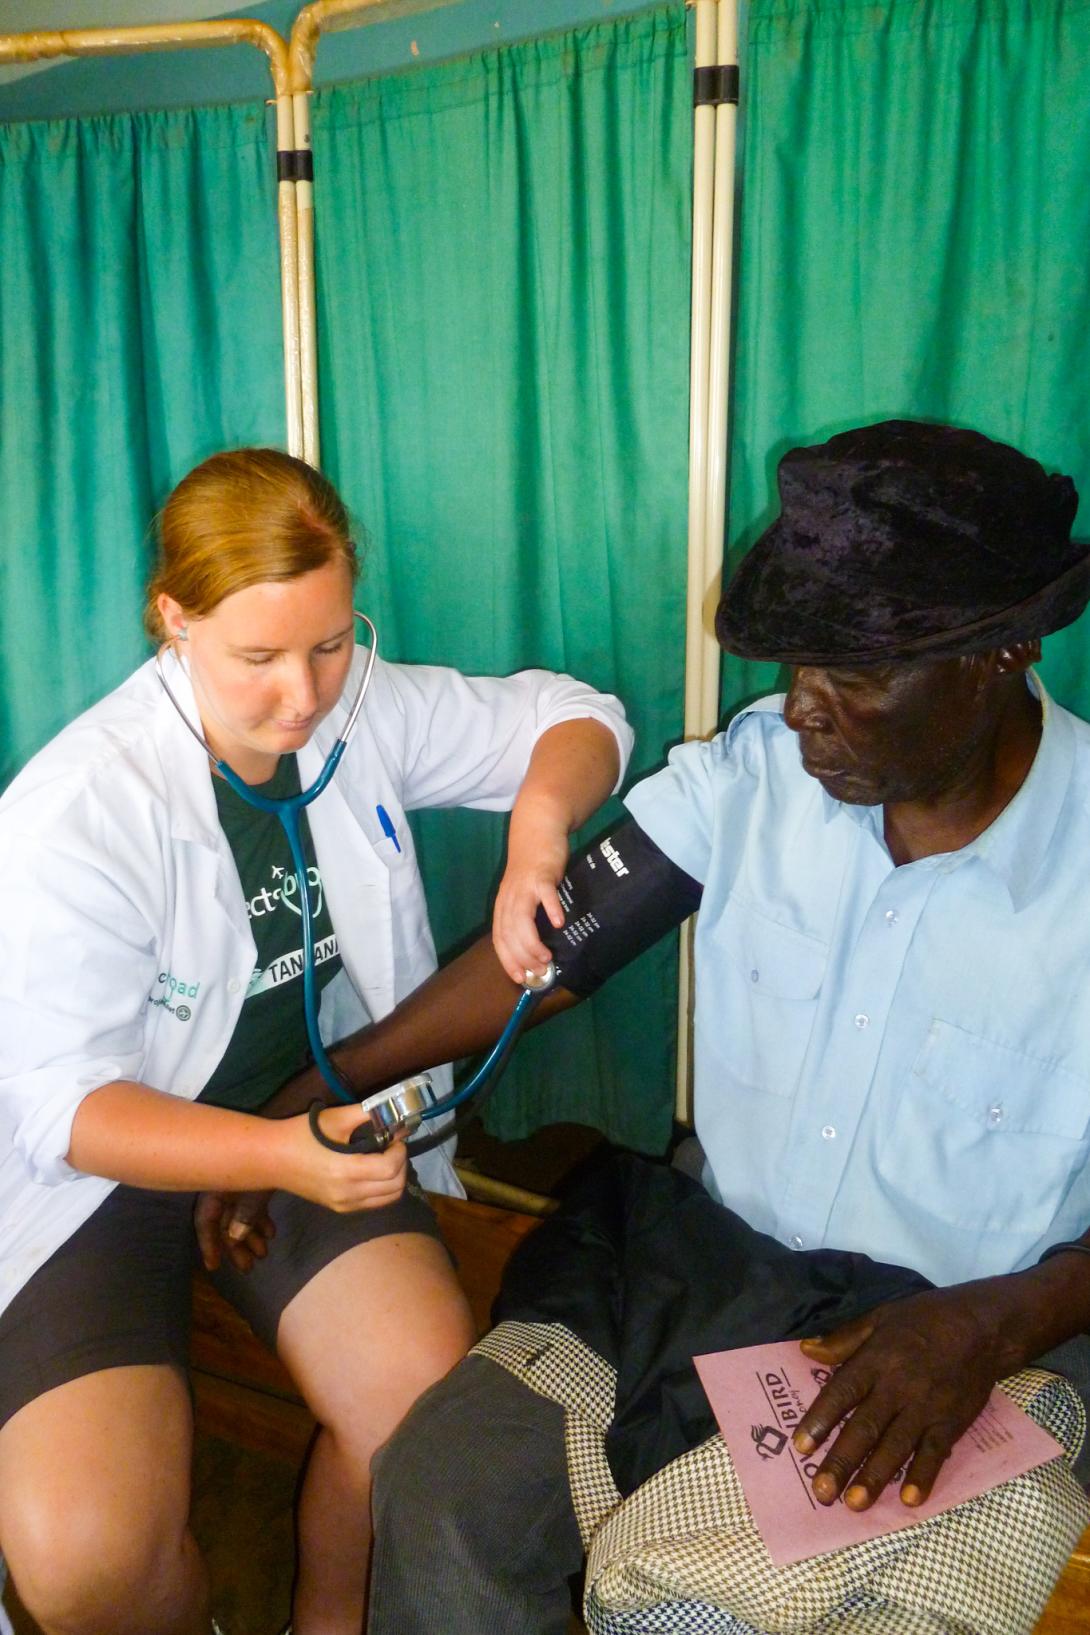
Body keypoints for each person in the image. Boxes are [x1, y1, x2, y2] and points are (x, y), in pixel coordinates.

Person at [298, 419, 1090, 1635]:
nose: (803, 711)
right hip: (699, 1272)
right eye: (795, 670)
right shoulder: (760, 774)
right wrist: (306, 1098)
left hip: (976, 1332)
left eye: (854, 678)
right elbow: (547, 963)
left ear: (1001, 653)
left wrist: (997, 1319)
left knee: (708, 1617)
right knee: (449, 1494)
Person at [0, 447, 632, 1635]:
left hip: (307, 1117)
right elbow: (61, 1113)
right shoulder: (76, 815)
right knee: (84, 1564)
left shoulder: (361, 706)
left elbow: (578, 717)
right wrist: (276, 1158)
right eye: (258, 659)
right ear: (172, 620)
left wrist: (538, 834)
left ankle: (326, 1624)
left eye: (331, 643)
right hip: (100, 1181)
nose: (304, 696)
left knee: (416, 1409)